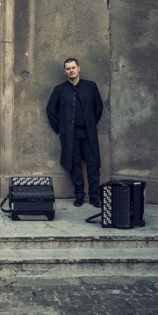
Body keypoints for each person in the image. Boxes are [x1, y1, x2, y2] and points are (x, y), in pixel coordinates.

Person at [46, 58, 104, 208]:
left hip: (88, 133)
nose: (71, 70)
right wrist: (59, 129)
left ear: (79, 68)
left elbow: (98, 107)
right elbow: (50, 109)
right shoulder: (59, 89)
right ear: (65, 71)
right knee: (74, 164)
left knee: (93, 164)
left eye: (73, 67)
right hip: (71, 134)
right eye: (68, 68)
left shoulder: (90, 86)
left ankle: (94, 196)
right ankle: (79, 196)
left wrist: (91, 123)